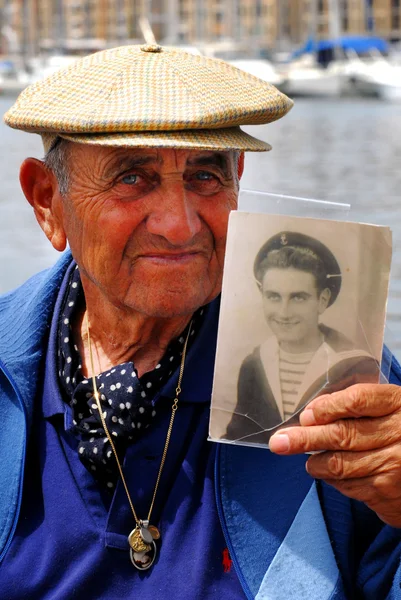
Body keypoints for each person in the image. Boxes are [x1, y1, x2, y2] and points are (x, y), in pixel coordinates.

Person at [1, 44, 401, 599]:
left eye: (205, 177)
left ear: (239, 178)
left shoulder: (345, 376)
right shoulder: (9, 370)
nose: (180, 224)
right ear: (48, 201)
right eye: (132, 179)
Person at [225, 232, 379, 445]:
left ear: (322, 300)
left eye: (298, 297)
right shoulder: (253, 365)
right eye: (274, 297)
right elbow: (238, 437)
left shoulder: (354, 367)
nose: (284, 312)